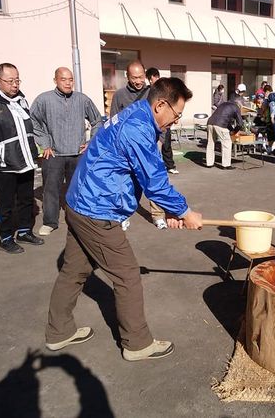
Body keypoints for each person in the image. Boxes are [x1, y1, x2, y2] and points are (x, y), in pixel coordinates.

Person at [45, 77, 203, 361]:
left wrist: (171, 211)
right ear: (160, 105)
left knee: (74, 271)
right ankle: (137, 344)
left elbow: (139, 173)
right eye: (176, 114)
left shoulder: (136, 115)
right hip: (97, 210)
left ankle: (59, 332)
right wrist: (184, 211)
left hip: (81, 201)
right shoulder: (138, 128)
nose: (176, 121)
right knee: (128, 276)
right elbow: (155, 181)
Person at [0, 63, 44, 254]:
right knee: (5, 203)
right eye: (10, 81)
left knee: (26, 199)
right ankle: (5, 238)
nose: (15, 85)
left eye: (17, 80)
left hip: (25, 159)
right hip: (5, 163)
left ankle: (25, 231)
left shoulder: (21, 100)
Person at [30, 67, 103, 236]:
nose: (68, 83)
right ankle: (50, 222)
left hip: (77, 154)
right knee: (51, 189)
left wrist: (90, 142)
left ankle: (77, 220)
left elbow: (97, 120)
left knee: (77, 188)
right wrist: (44, 143)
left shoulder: (82, 99)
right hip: (53, 153)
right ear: (55, 80)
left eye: (70, 79)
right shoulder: (44, 100)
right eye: (63, 79)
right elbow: (33, 121)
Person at [146, 67, 178, 175]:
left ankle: (170, 166)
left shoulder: (164, 90)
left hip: (164, 122)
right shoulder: (147, 91)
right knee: (154, 146)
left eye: (153, 78)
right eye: (150, 79)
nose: (151, 81)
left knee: (166, 144)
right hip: (152, 124)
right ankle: (155, 168)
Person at [206, 101, 244, 169]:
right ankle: (226, 165)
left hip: (210, 122)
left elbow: (226, 119)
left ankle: (209, 163)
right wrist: (234, 132)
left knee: (210, 143)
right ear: (239, 106)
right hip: (220, 125)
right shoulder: (236, 108)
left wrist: (231, 130)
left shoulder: (223, 104)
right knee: (227, 143)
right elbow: (240, 123)